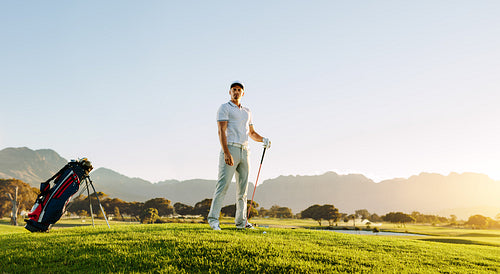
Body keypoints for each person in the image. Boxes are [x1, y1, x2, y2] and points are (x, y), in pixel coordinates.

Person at [207, 81, 271, 230]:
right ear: (230, 92)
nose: (236, 92)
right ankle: (213, 220)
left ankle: (241, 222)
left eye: (239, 90)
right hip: (230, 148)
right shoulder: (224, 108)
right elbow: (221, 131)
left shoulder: (247, 111)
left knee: (243, 189)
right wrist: (226, 152)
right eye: (233, 90)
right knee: (223, 186)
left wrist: (263, 139)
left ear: (243, 93)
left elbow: (252, 133)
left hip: (245, 151)